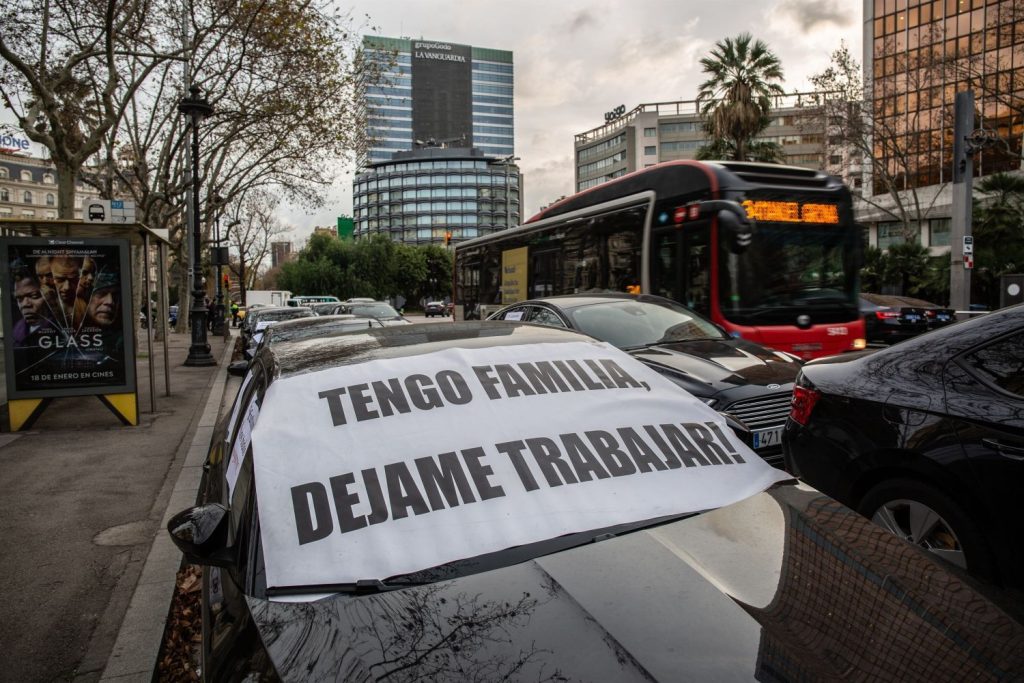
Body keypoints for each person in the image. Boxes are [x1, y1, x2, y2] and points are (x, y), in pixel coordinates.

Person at [49, 255, 87, 330]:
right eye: (60, 280)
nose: (67, 287)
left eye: (73, 280)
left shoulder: (89, 303)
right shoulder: (43, 303)